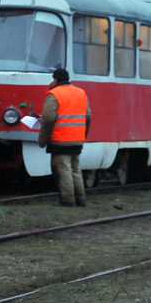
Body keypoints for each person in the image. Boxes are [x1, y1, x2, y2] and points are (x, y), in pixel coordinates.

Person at [37, 67, 91, 206]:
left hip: (60, 139)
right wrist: (83, 135)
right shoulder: (81, 92)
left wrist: (42, 140)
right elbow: (88, 116)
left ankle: (67, 200)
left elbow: (49, 119)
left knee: (63, 170)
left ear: (55, 80)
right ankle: (81, 199)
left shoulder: (54, 94)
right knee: (76, 170)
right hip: (77, 139)